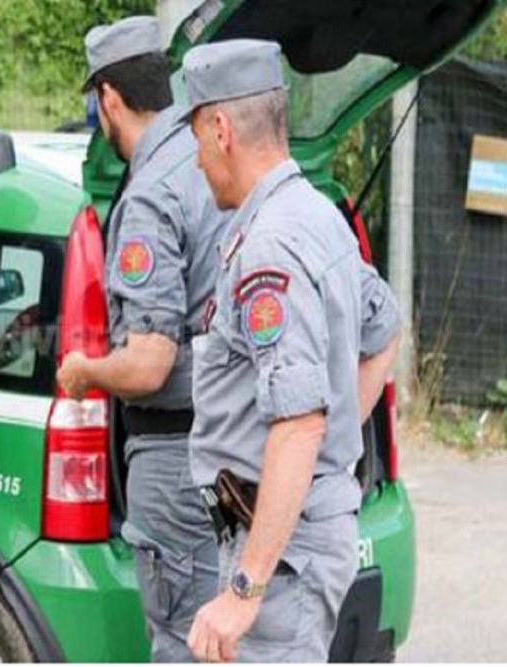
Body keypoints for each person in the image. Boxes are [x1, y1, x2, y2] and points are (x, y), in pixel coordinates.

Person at [180, 40, 402, 663]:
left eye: (197, 138)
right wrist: (330, 445)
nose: (197, 162)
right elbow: (384, 333)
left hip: (282, 557)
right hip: (294, 536)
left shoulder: (269, 245)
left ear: (220, 128)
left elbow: (300, 423)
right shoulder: (316, 214)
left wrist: (246, 588)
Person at [55, 15, 226, 662]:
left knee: (183, 641)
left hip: (176, 460)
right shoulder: (215, 162)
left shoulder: (150, 197)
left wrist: (84, 369)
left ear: (108, 101)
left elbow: (151, 362)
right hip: (239, 449)